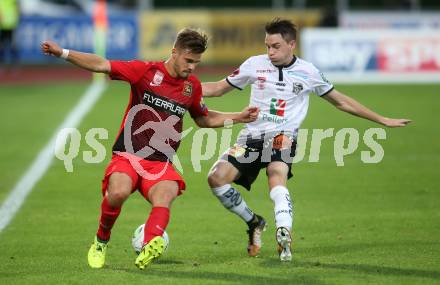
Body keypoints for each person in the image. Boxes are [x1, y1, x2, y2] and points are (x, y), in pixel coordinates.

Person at [41, 28, 259, 269]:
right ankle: (100, 241)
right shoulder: (145, 72)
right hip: (129, 155)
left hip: (160, 163)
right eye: (188, 60)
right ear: (174, 52)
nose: (192, 67)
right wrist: (63, 53)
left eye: (196, 63)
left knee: (166, 194)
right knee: (118, 192)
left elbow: (203, 118)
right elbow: (103, 64)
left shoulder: (191, 87)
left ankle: (149, 245)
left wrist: (238, 116)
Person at [202, 18, 411, 262]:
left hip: (283, 136)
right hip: (250, 137)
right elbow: (217, 88)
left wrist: (381, 119)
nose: (270, 52)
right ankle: (254, 221)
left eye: (276, 46)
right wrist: (183, 86)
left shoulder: (308, 72)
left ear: (292, 44)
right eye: (267, 45)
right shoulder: (254, 65)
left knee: (276, 174)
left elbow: (341, 101)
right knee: (216, 178)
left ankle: (284, 230)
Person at [0, 0, 19, 65]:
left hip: (10, 25)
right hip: (5, 25)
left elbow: (17, 9)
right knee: (3, 45)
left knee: (12, 45)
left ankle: (14, 63)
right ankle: (4, 62)